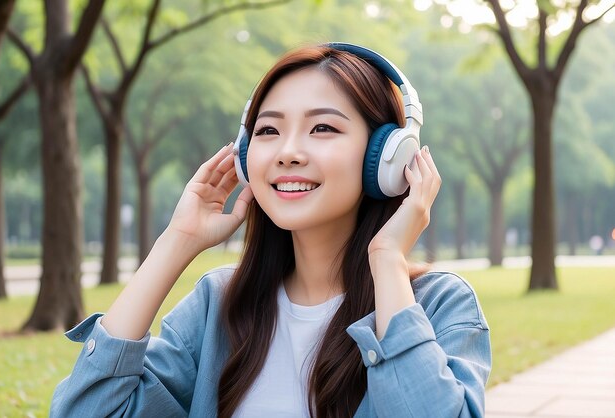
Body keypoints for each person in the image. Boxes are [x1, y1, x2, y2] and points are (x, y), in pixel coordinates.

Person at [50, 43, 491, 418]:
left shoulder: (437, 305)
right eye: (268, 130)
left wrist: (388, 261)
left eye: (322, 127)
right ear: (245, 157)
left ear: (388, 158)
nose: (288, 152)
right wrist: (176, 242)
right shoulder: (218, 307)